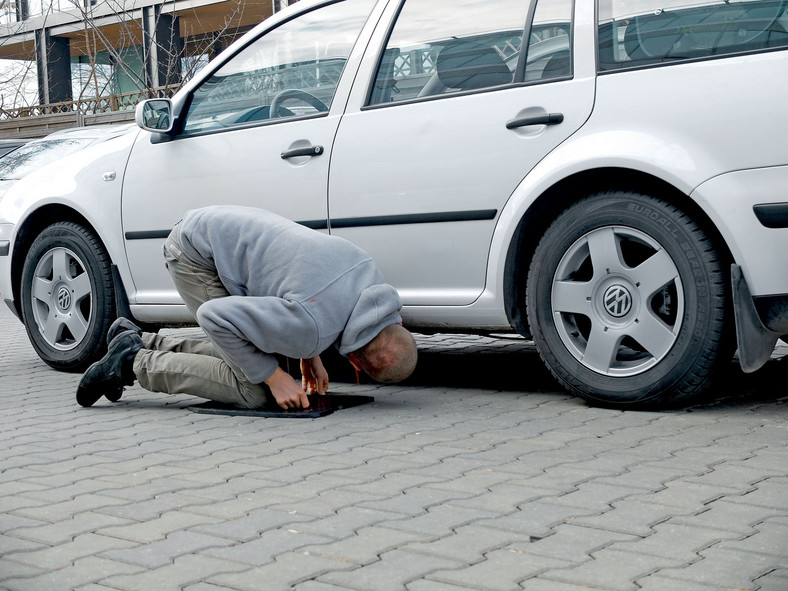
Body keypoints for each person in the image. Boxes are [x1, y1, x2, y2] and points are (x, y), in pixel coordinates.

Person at [76, 205, 418, 410]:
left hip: (213, 231)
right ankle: (131, 362)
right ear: (355, 364)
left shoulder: (370, 277)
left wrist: (307, 352)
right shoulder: (310, 327)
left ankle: (141, 342)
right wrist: (275, 377)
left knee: (263, 361)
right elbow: (214, 318)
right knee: (253, 390)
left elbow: (312, 295)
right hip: (194, 255)